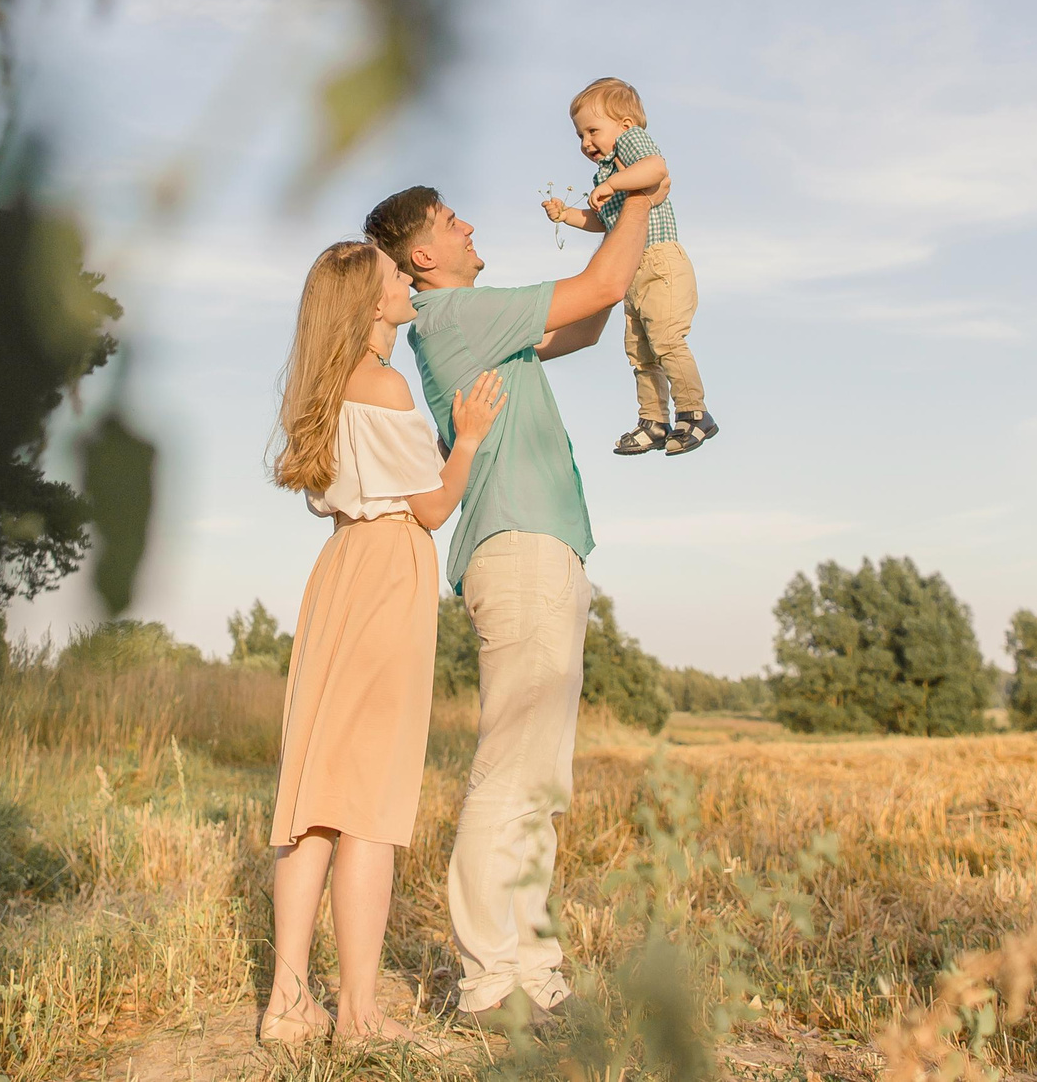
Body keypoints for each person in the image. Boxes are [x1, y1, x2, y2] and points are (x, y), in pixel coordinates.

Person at [362, 172, 662, 1026]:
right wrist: (641, 192)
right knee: (510, 766)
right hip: (520, 545)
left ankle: (534, 970)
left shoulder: (488, 324)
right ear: (424, 255)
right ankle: (490, 980)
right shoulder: (455, 313)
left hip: (545, 544)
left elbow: (595, 317)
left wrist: (617, 221)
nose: (468, 228)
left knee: (540, 776)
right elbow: (601, 283)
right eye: (453, 222)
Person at [261, 240, 507, 1048]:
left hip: (337, 570)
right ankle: (360, 1017)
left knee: (313, 796)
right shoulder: (387, 383)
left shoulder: (324, 389)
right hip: (388, 570)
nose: (407, 281)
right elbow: (433, 506)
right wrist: (466, 435)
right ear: (371, 304)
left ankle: (288, 1001)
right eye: (395, 276)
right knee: (368, 797)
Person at [541, 76, 718, 457]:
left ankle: (694, 412)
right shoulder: (606, 173)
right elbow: (603, 221)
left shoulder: (629, 142)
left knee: (668, 339)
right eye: (579, 135)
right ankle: (654, 420)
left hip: (659, 261)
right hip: (634, 273)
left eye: (592, 130)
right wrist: (568, 215)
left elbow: (655, 169)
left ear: (623, 124)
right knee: (639, 350)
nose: (586, 142)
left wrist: (615, 183)